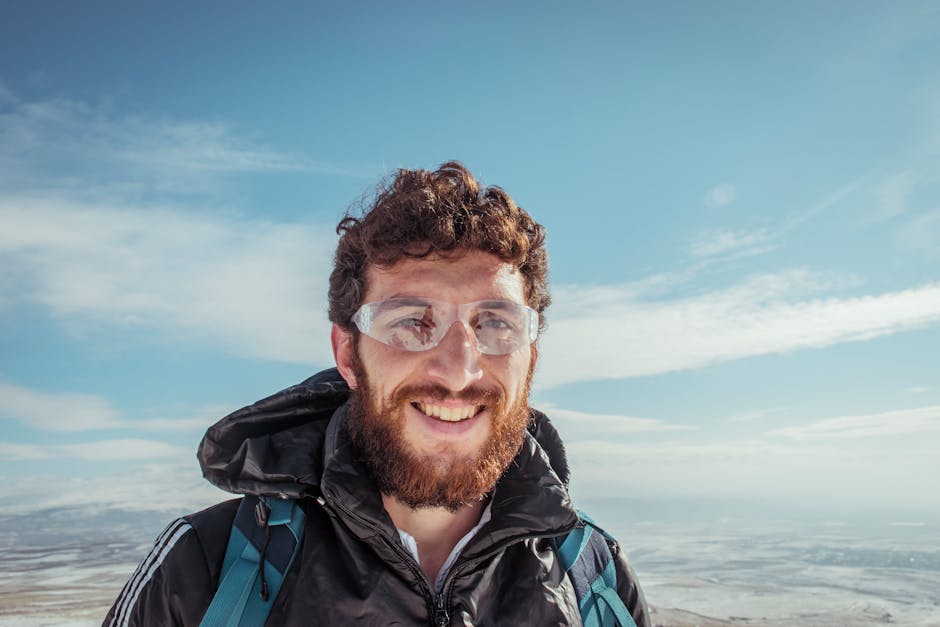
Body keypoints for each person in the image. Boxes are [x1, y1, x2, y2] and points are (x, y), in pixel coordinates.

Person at [104, 162, 650, 626]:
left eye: (496, 325)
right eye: (411, 322)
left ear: (530, 356)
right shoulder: (206, 570)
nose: (459, 371)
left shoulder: (593, 579)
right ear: (347, 355)